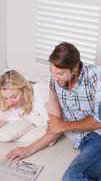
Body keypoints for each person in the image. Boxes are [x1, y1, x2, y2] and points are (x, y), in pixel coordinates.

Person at [0, 70, 59, 170]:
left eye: (14, 96)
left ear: (24, 90)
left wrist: (28, 149)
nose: (10, 102)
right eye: (5, 98)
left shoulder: (42, 91)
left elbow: (58, 129)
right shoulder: (13, 108)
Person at [47, 42, 101, 181]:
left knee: (71, 177)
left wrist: (63, 125)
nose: (55, 78)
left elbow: (98, 121)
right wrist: (29, 149)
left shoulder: (96, 78)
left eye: (60, 74)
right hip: (85, 142)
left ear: (75, 68)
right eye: (52, 72)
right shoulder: (55, 81)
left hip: (97, 137)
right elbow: (54, 121)